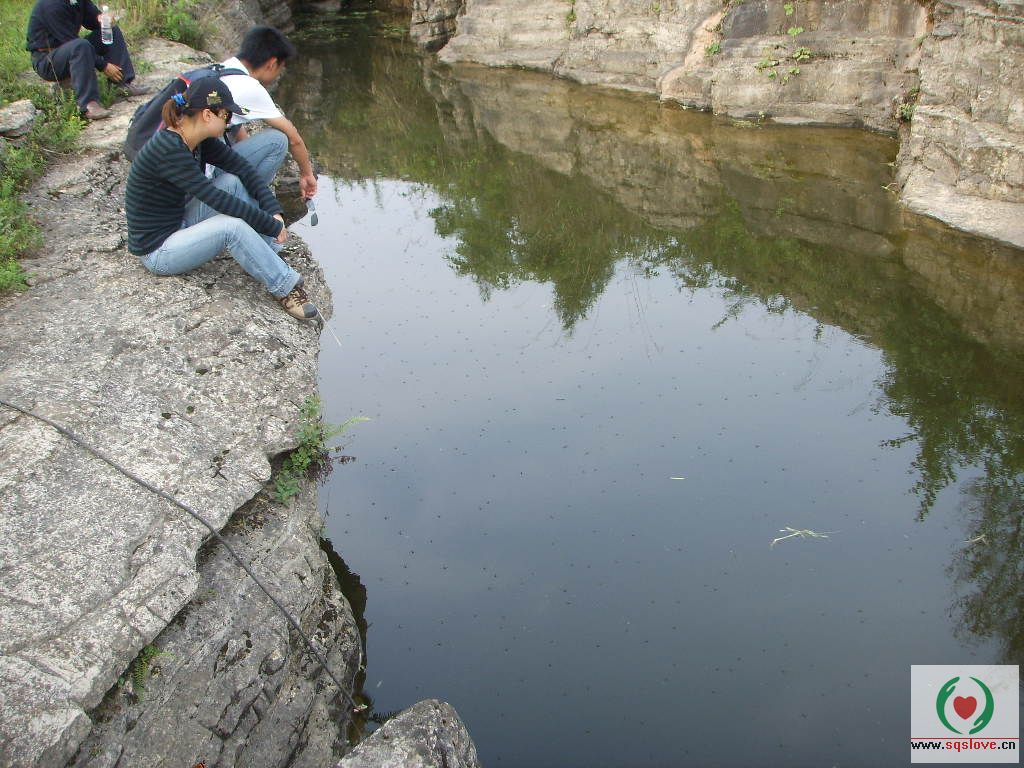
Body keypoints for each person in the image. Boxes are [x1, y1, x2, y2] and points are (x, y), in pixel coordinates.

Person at [125, 77, 319, 321]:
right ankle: (285, 287)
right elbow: (215, 199)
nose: (229, 123)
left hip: (178, 222)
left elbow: (242, 169)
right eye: (226, 116)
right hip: (159, 250)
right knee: (231, 228)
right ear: (208, 115)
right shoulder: (169, 150)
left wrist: (273, 210)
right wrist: (269, 224)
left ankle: (267, 253)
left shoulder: (196, 140)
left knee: (232, 182)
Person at [216, 26, 318, 199]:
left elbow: (234, 122)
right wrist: (307, 174)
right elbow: (293, 138)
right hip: (207, 176)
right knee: (278, 140)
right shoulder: (249, 87)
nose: (279, 74)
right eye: (281, 67)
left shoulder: (223, 68)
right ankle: (254, 201)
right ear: (272, 64)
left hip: (191, 168)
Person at [25, 0, 150, 120]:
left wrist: (104, 19)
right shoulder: (51, 5)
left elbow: (94, 22)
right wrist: (103, 65)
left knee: (111, 31)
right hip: (47, 60)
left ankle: (122, 84)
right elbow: (70, 41)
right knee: (80, 46)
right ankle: (89, 105)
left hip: (71, 48)